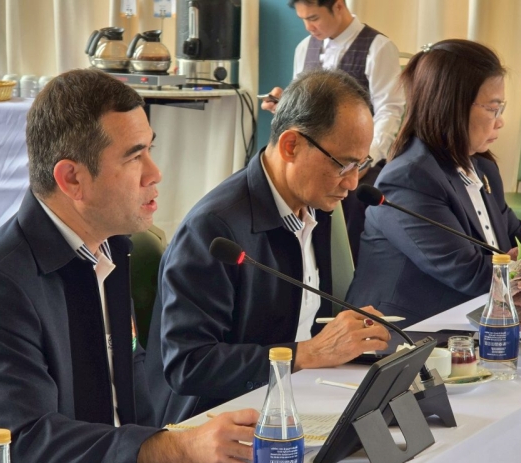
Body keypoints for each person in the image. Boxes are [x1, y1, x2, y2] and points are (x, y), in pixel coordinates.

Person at [0, 68, 258, 463]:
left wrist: (178, 449)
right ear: (72, 179)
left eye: (150, 150)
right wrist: (171, 449)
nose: (155, 173)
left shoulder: (113, 246)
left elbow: (131, 404)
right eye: (134, 156)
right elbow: (26, 442)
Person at [146, 69, 390, 425]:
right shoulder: (214, 229)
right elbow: (189, 364)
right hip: (216, 419)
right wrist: (306, 353)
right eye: (344, 165)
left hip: (294, 397)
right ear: (291, 146)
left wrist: (347, 341)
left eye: (361, 164)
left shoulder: (316, 205)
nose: (352, 183)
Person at [346, 39, 521, 327]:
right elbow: (470, 274)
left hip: (472, 317)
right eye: (493, 108)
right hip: (405, 332)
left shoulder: (482, 167)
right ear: (452, 107)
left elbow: (516, 237)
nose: (500, 121)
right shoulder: (408, 179)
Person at [262, 0, 406, 263]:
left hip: (361, 163)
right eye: (303, 19)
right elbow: (304, 110)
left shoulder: (378, 47)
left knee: (352, 234)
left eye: (314, 18)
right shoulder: (304, 47)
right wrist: (283, 106)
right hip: (313, 163)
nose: (308, 27)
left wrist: (363, 161)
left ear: (339, 6)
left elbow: (389, 110)